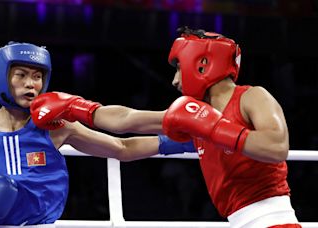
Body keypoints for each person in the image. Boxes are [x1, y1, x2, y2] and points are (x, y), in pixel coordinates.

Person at [30, 27, 300, 227]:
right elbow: (127, 127)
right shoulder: (192, 119)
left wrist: (214, 127)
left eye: (179, 68)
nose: (174, 81)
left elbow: (276, 148)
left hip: (274, 221)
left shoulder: (252, 97)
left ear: (202, 64)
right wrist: (77, 109)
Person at [0, 41, 194, 227]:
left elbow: (122, 147)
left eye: (37, 76)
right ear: (0, 77)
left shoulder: (56, 126)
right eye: (21, 75)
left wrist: (182, 142)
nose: (31, 83)